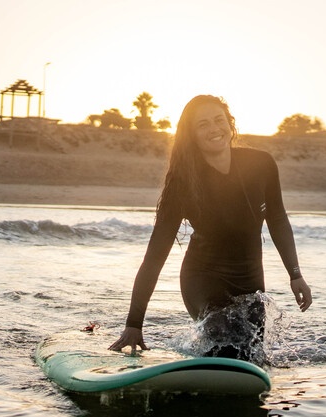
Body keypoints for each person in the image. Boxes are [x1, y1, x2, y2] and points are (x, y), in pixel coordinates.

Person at [109, 95, 312, 355]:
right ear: (191, 134)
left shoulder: (261, 164)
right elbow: (155, 257)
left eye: (219, 120)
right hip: (203, 280)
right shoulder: (183, 183)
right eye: (202, 124)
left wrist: (295, 274)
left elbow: (278, 218)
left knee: (251, 354)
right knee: (226, 345)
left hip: (250, 280)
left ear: (230, 123)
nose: (214, 128)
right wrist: (134, 323)